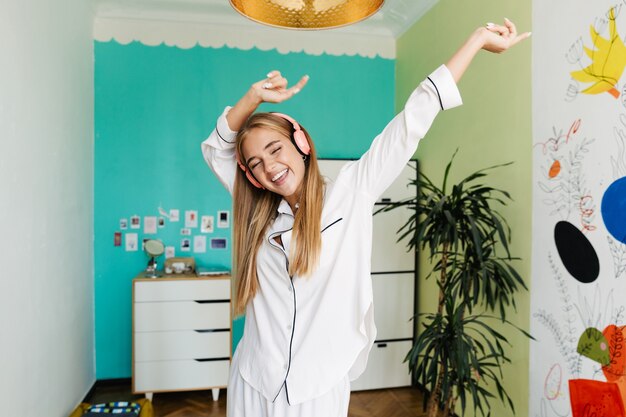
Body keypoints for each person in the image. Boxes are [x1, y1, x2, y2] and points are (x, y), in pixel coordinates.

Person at [201, 18, 530, 417]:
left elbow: (414, 117)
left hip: (316, 388)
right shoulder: (258, 214)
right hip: (254, 380)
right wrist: (252, 97)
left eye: (275, 149)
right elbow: (216, 148)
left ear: (301, 143)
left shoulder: (350, 191)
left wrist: (477, 39)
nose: (269, 167)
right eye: (255, 163)